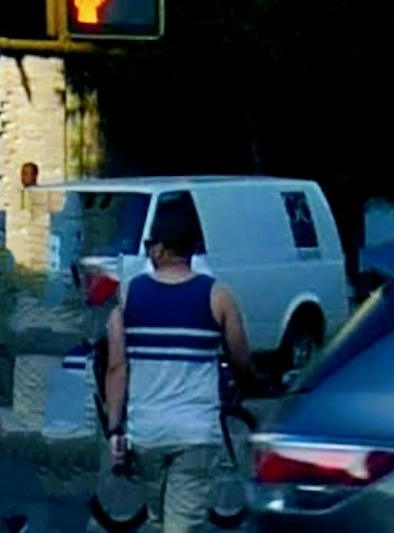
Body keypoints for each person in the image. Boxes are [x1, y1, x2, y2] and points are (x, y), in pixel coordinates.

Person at [100, 191, 251, 531]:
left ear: (160, 248)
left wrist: (114, 428)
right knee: (181, 524)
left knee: (158, 521)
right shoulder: (219, 297)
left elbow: (117, 367)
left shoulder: (130, 295)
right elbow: (242, 359)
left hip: (147, 433)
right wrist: (242, 385)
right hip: (196, 432)